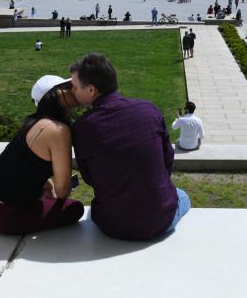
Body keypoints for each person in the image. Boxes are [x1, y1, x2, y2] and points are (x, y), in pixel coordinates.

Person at [71, 53, 189, 240]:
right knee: (182, 195)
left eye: (74, 87)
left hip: (112, 225)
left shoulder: (82, 128)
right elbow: (167, 161)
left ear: (91, 90)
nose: (72, 91)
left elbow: (90, 177)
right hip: (161, 220)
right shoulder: (149, 109)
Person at [0, 75, 85, 235]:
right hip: (3, 215)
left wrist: (47, 185)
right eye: (67, 86)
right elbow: (62, 191)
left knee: (46, 194)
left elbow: (25, 162)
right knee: (75, 208)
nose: (73, 88)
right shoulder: (58, 130)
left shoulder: (34, 122)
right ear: (54, 95)